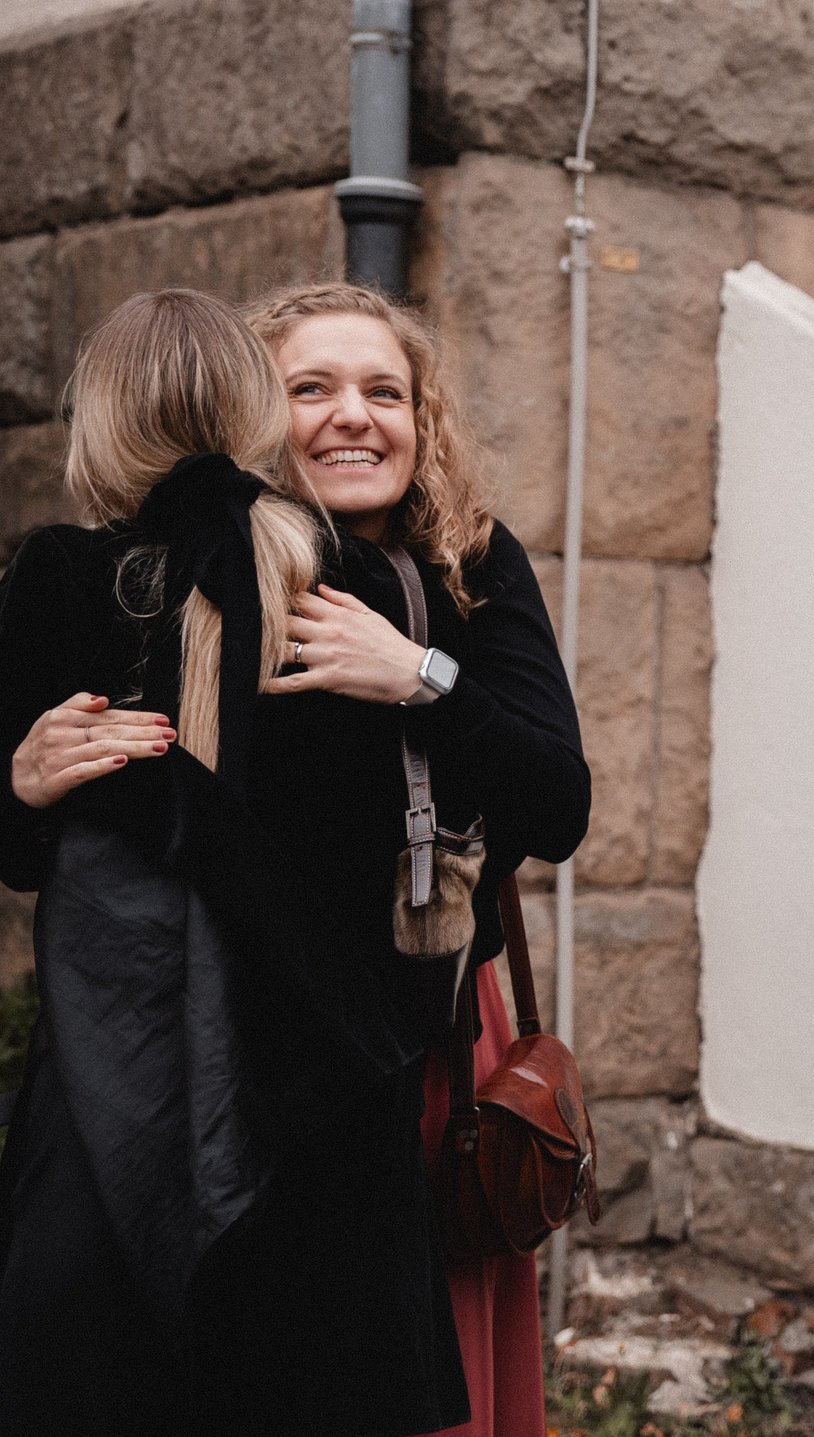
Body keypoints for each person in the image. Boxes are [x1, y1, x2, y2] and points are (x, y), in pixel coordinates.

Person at [0, 289, 469, 1434]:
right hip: (333, 1129)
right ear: (255, 416)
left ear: (100, 424)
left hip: (120, 1116)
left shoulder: (59, 586)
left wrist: (12, 783)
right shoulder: (363, 591)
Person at [248, 280, 593, 1437]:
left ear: (420, 419)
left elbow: (559, 801)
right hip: (249, 1046)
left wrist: (419, 677)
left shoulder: (472, 566)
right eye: (312, 388)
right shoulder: (206, 577)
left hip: (440, 1036)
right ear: (254, 414)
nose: (355, 415)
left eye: (384, 391)